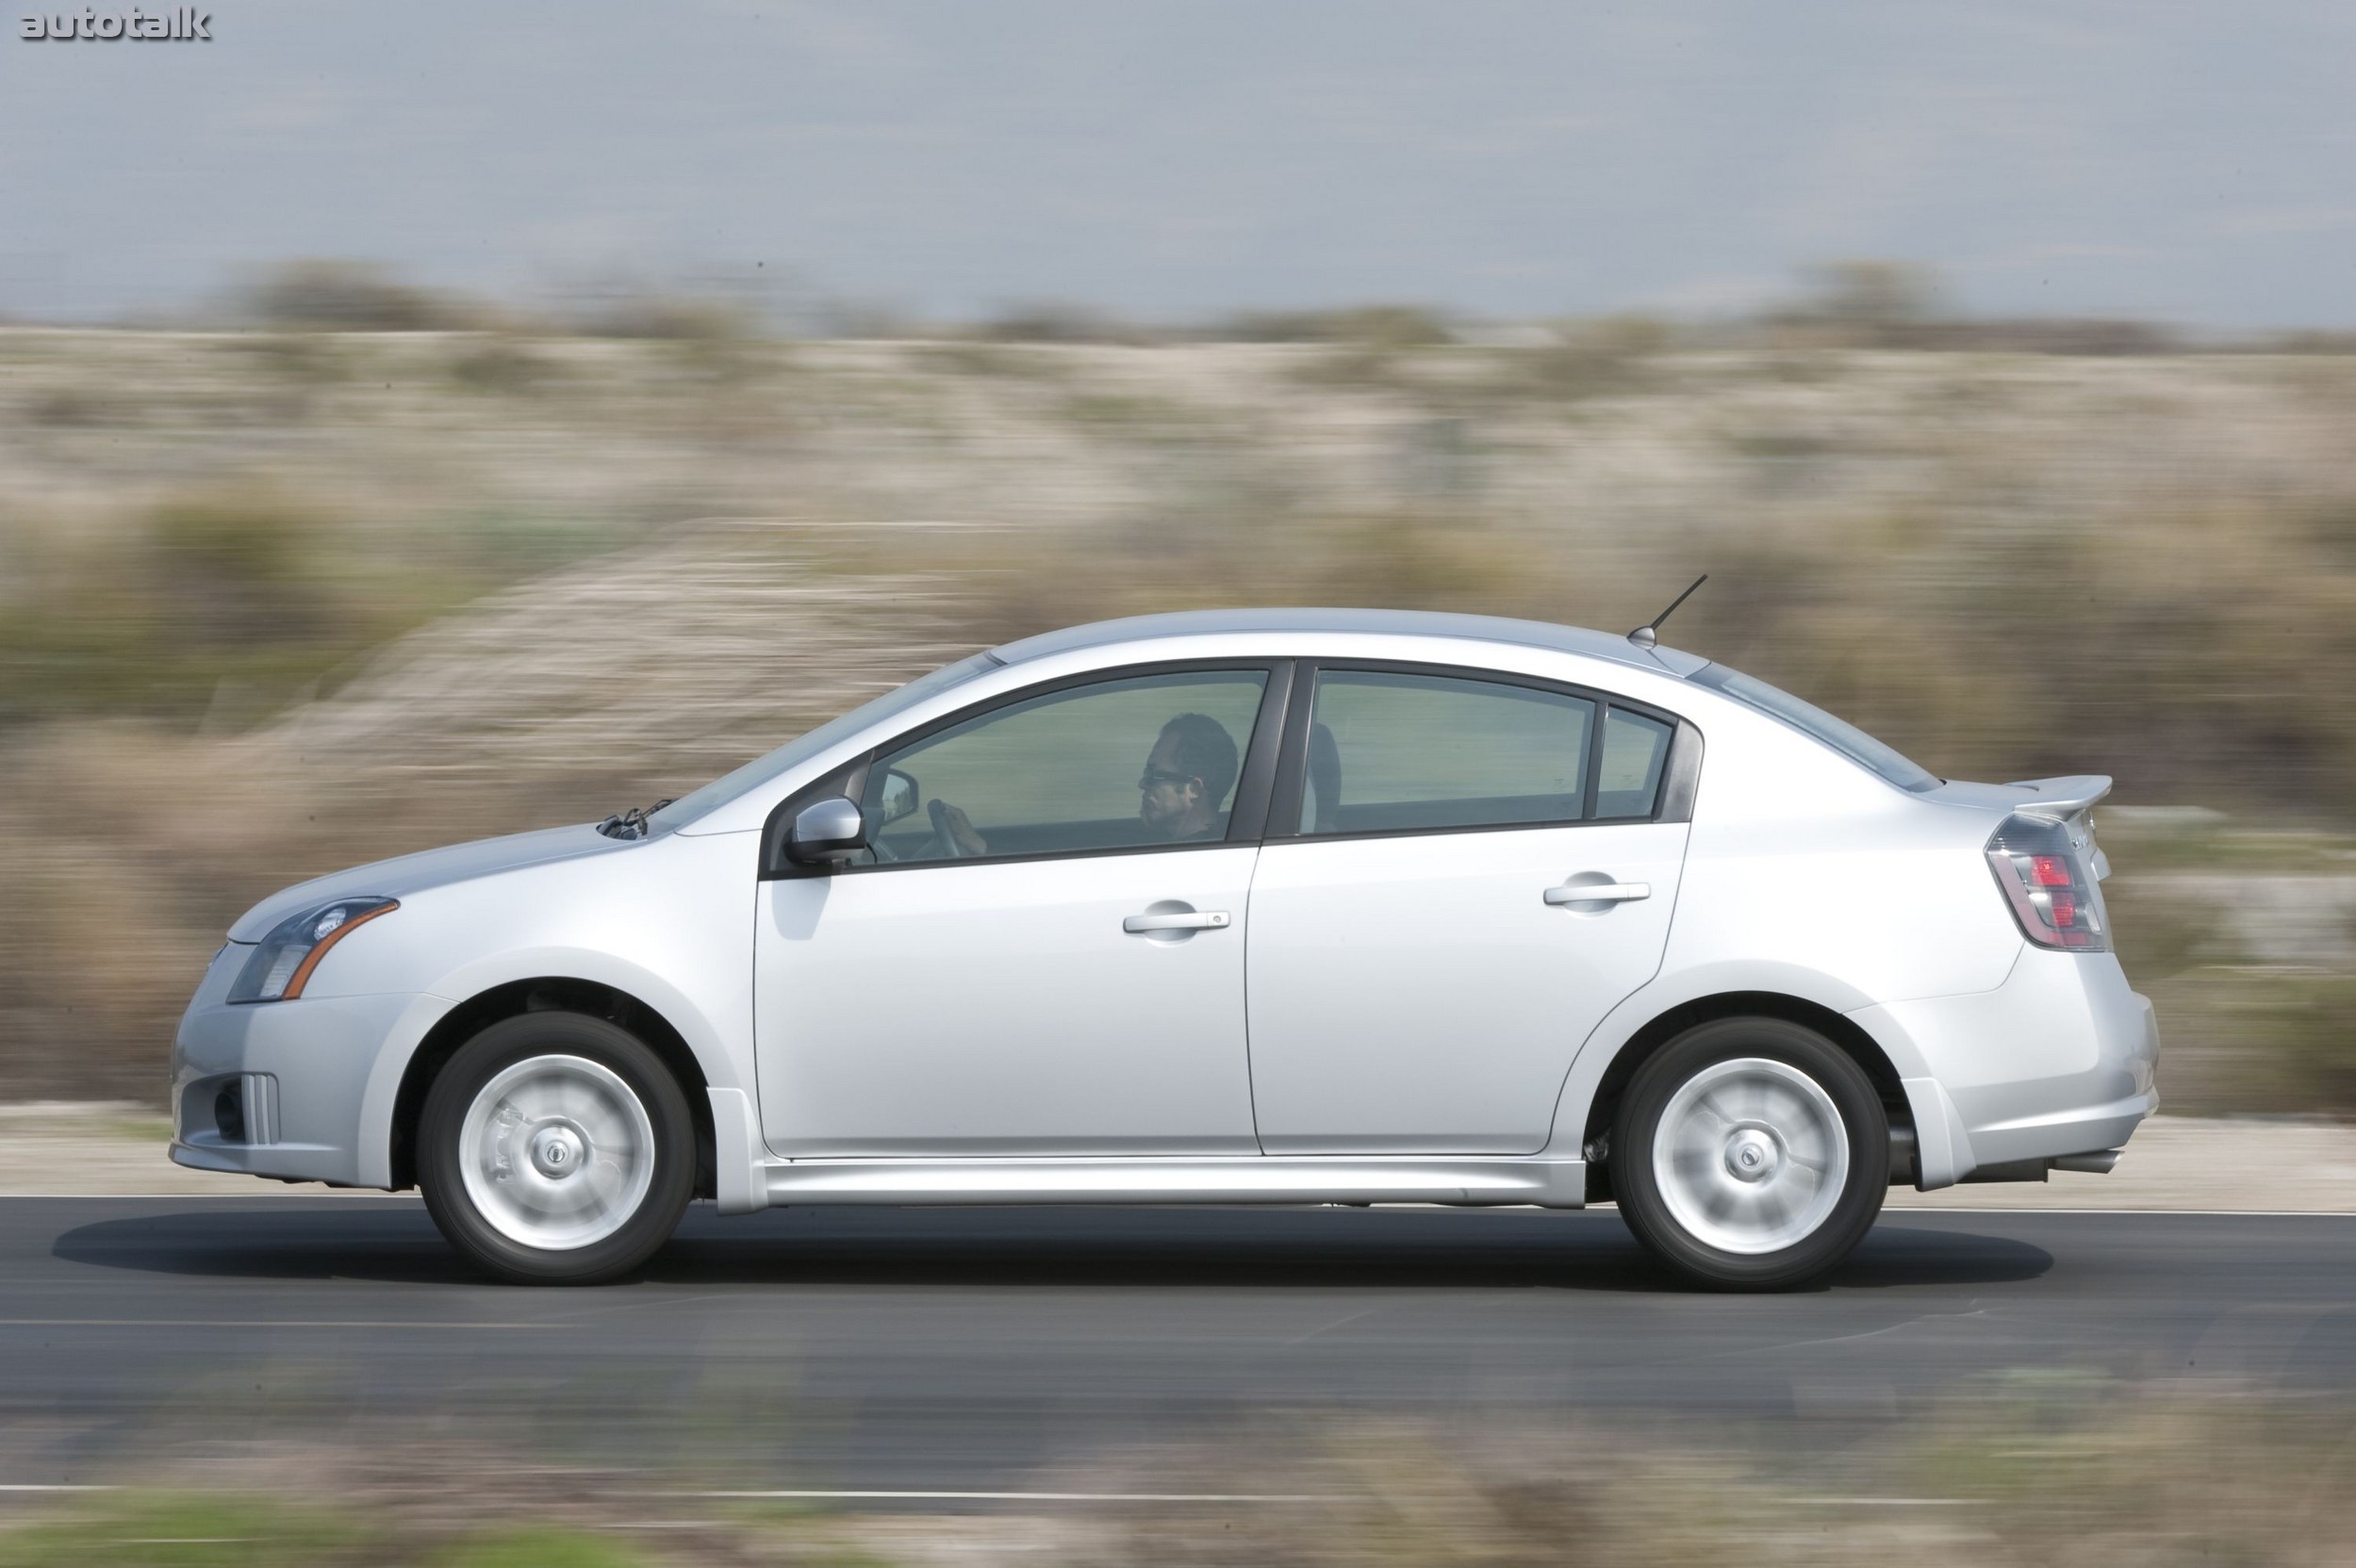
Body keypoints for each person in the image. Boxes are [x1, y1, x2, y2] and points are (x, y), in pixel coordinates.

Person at [930, 711, 1239, 857]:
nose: (1142, 783)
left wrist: (982, 849)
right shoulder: (1163, 844)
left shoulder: (1186, 861)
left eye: (1155, 776)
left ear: (1193, 790)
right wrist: (981, 846)